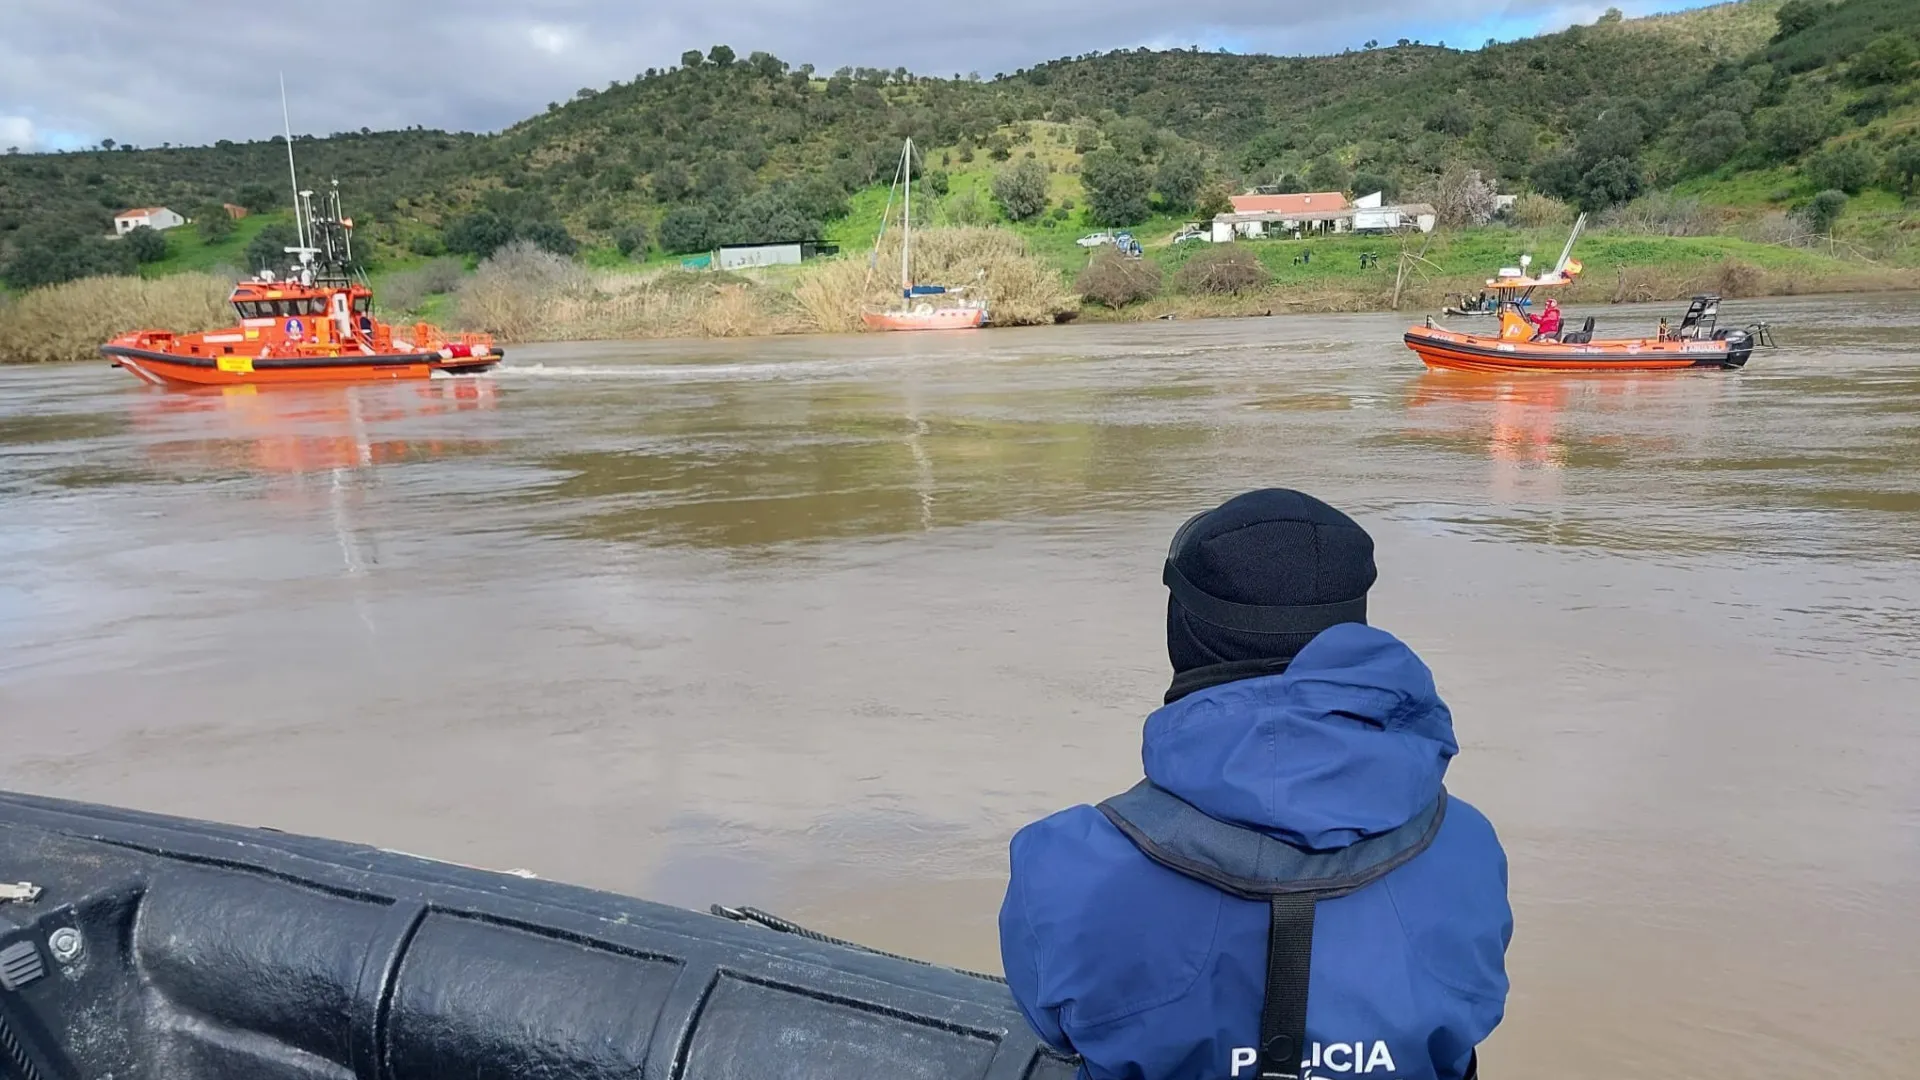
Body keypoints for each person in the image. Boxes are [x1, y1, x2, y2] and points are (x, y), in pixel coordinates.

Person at [999, 489, 1512, 1080]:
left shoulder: (1062, 864)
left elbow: (1051, 1026)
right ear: (1354, 628)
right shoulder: (1469, 847)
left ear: (1185, 635)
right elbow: (1462, 1030)